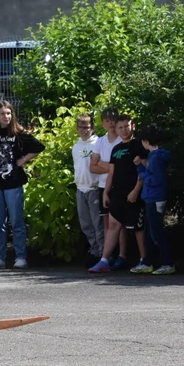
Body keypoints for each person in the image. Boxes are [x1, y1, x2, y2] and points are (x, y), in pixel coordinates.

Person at [0, 101, 43, 269]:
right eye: (2, 113)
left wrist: (23, 159)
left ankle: (20, 257)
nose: (6, 117)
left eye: (8, 113)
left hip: (14, 184)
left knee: (17, 222)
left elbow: (39, 146)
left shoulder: (19, 134)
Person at [91, 114, 148, 273]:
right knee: (114, 225)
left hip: (134, 194)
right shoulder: (116, 149)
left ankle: (145, 260)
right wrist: (106, 193)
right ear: (116, 129)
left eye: (126, 126)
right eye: (120, 127)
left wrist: (136, 190)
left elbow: (144, 170)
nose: (123, 130)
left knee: (137, 228)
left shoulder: (138, 145)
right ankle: (104, 261)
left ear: (133, 126)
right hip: (117, 194)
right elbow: (111, 173)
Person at [135, 124, 174, 275]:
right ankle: (148, 262)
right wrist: (141, 168)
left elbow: (156, 179)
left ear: (146, 141)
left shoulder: (156, 157)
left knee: (156, 232)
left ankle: (168, 263)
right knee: (149, 233)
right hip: (151, 197)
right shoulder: (156, 155)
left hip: (155, 198)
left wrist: (141, 171)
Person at [89, 107, 125, 269]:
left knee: (121, 222)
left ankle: (122, 255)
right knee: (106, 223)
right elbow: (92, 166)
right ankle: (107, 255)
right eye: (107, 120)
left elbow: (122, 167)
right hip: (103, 186)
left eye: (113, 119)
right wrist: (112, 167)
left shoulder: (122, 140)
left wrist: (105, 165)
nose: (110, 123)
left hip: (120, 186)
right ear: (102, 123)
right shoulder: (100, 141)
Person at [71, 113, 103, 262]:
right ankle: (94, 249)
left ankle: (103, 253)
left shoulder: (98, 144)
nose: (84, 130)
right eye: (81, 127)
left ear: (93, 128)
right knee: (86, 223)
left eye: (87, 127)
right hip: (80, 188)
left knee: (98, 223)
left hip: (94, 188)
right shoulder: (76, 146)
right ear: (77, 129)